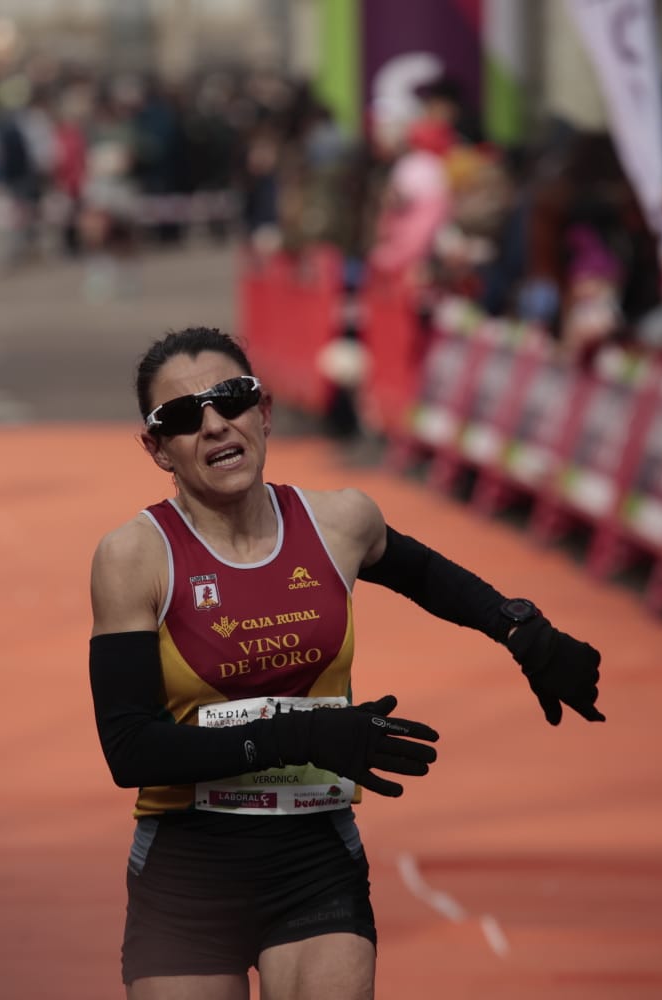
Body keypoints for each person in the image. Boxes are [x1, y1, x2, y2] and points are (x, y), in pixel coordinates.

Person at [88, 326, 607, 999]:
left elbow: (426, 574)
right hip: (188, 870)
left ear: (264, 412)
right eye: (184, 417)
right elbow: (131, 749)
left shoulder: (339, 522)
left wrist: (522, 630)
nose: (215, 425)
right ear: (157, 449)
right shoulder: (135, 556)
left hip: (312, 859)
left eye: (233, 399)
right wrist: (299, 734)